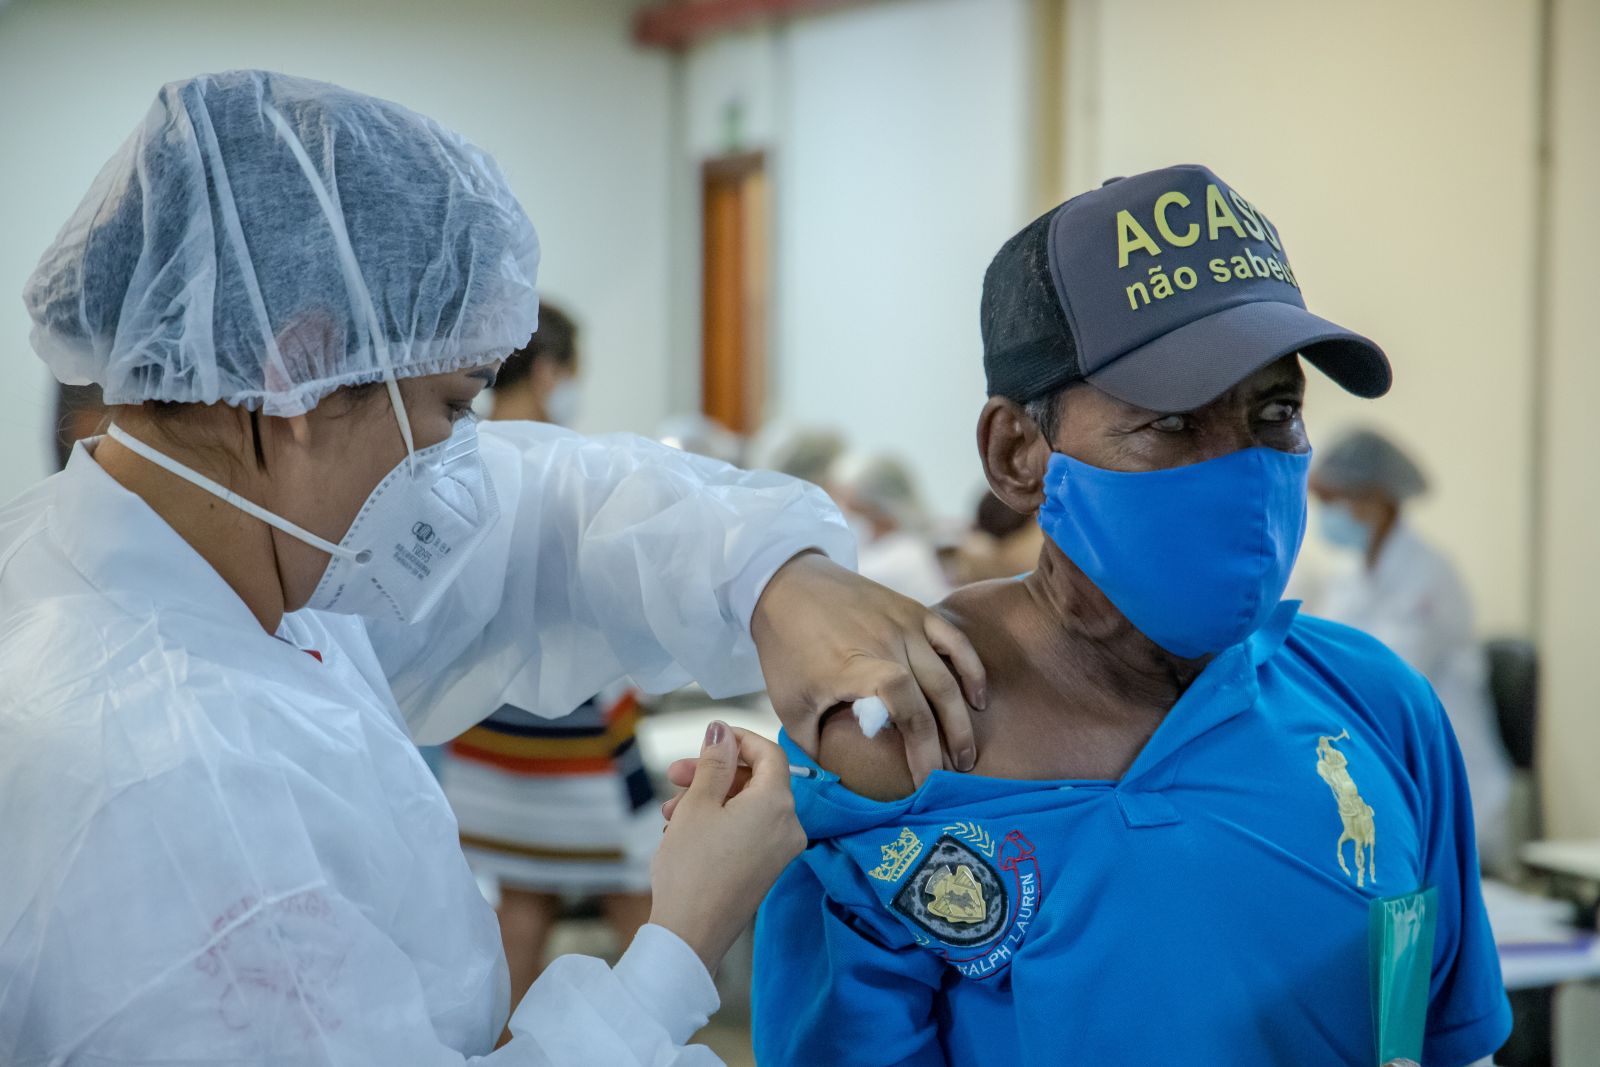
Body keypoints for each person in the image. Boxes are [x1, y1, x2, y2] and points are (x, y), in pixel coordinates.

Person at [0, 71, 985, 1066]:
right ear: (296, 370)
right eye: (453, 407)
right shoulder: (171, 785)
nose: (462, 465)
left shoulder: (209, 561)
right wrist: (678, 944)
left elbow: (556, 510)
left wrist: (776, 571)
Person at [734, 165, 1509, 1066]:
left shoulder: (1375, 707)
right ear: (1021, 453)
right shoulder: (900, 743)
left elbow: (1448, 1042)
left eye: (1276, 411)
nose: (1244, 467)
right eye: (1174, 423)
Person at [438, 308, 658, 1010]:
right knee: (651, 915)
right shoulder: (567, 465)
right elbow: (608, 607)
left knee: (520, 913)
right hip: (578, 747)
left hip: (483, 742)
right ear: (548, 370)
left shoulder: (448, 453)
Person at [1308, 428, 1514, 870]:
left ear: (1377, 498)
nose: (1328, 515)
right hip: (1390, 774)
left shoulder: (1428, 576)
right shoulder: (1349, 577)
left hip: (1457, 789)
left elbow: (1382, 678)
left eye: (1335, 500)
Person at [831, 453, 953, 606]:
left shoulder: (902, 556)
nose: (842, 510)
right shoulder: (873, 547)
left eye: (852, 505)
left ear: (878, 507)